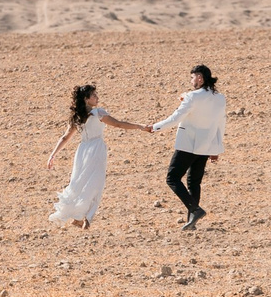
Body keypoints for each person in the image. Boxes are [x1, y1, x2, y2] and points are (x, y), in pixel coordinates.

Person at [46, 83, 152, 229]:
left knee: (80, 182)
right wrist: (139, 126)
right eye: (94, 95)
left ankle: (80, 217)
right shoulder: (98, 113)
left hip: (82, 151)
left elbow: (65, 138)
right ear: (86, 99)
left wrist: (53, 155)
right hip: (96, 149)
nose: (97, 97)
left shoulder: (77, 117)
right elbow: (118, 124)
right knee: (96, 183)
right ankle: (86, 218)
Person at [150, 64, 226, 230]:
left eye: (192, 77)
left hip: (188, 144)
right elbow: (220, 124)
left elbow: (175, 118)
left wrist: (154, 127)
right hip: (206, 145)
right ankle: (192, 221)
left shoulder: (192, 97)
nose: (191, 81)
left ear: (199, 78)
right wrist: (215, 149)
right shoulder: (220, 98)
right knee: (194, 182)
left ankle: (195, 209)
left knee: (172, 178)